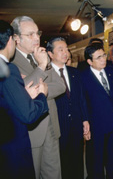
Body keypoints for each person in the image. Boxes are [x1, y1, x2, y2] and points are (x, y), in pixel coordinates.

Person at [11, 16, 65, 179]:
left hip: (51, 126)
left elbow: (61, 86)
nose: (37, 38)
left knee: (53, 174)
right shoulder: (11, 62)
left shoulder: (39, 55)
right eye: (30, 34)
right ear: (16, 38)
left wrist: (39, 88)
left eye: (38, 33)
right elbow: (22, 94)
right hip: (31, 132)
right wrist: (41, 66)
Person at [0, 20, 49, 179]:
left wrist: (22, 94)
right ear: (10, 41)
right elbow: (28, 114)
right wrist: (42, 95)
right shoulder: (8, 68)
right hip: (12, 150)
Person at [81, 40, 113, 179]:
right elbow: (82, 102)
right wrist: (85, 122)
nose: (103, 60)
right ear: (90, 61)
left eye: (104, 55)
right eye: (98, 57)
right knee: (96, 156)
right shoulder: (82, 77)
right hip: (96, 124)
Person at [46, 37, 91, 179]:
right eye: (60, 49)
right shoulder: (46, 75)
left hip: (76, 125)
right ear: (50, 54)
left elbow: (81, 99)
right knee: (60, 163)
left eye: (66, 49)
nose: (66, 52)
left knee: (77, 161)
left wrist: (85, 120)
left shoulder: (75, 72)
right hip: (57, 126)